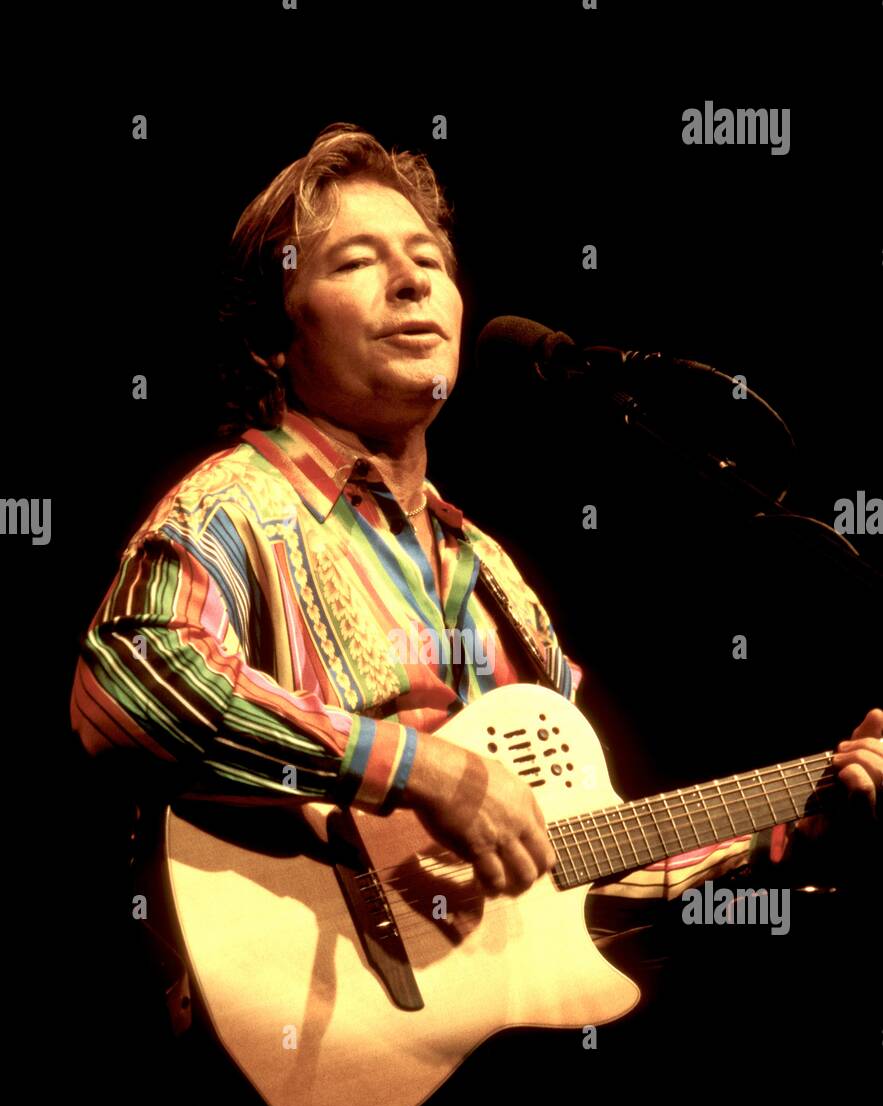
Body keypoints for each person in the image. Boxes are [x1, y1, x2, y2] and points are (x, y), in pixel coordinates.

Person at [70, 122, 881, 922]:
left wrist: (784, 830)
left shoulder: (492, 574)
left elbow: (566, 865)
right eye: (356, 261)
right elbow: (129, 682)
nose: (412, 282)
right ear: (268, 338)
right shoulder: (233, 504)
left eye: (428, 260)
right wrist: (418, 769)